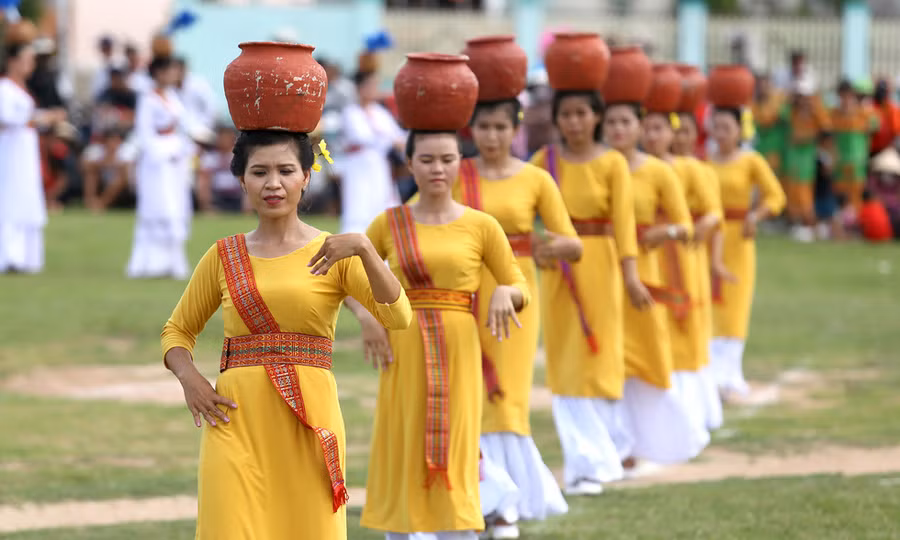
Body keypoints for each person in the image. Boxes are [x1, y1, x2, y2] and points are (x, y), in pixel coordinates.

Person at [162, 129, 412, 540]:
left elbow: (398, 315)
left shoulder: (333, 251)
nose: (273, 183)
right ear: (242, 180)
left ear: (306, 177)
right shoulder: (223, 255)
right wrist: (190, 379)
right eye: (259, 172)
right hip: (236, 420)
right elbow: (177, 331)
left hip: (309, 419)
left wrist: (366, 250)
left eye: (285, 170)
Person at [356, 130, 530, 539]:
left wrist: (506, 292)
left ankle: (458, 527)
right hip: (403, 342)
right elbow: (347, 281)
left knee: (458, 437)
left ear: (459, 164)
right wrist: (367, 318)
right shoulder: (389, 223)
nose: (438, 169)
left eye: (447, 159)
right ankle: (402, 529)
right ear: (410, 162)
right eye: (428, 159)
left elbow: (517, 284)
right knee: (403, 433)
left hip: (459, 346)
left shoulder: (481, 225)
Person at [457, 98, 580, 537]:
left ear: (516, 129)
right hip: (465, 295)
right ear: (471, 129)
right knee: (466, 394)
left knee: (506, 397)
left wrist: (550, 247)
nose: (492, 136)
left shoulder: (535, 178)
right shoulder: (455, 173)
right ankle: (481, 499)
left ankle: (507, 503)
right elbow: (414, 219)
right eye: (484, 127)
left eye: (500, 127)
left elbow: (573, 243)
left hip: (516, 296)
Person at [530, 89, 650, 494]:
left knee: (601, 355)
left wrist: (631, 275)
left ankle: (614, 448)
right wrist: (537, 243)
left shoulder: (613, 162)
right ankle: (585, 464)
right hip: (557, 267)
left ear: (596, 116)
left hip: (601, 264)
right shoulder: (543, 162)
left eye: (582, 113)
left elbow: (623, 224)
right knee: (566, 359)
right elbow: (517, 205)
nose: (574, 122)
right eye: (566, 114)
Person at [604, 97, 706, 470]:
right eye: (611, 121)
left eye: (626, 122)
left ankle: (662, 438)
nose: (618, 129)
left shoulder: (658, 171)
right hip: (601, 270)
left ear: (639, 127)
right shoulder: (596, 166)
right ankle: (619, 445)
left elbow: (687, 227)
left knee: (646, 355)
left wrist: (664, 231)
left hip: (647, 271)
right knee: (608, 357)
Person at [642, 103, 726, 437]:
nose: (652, 136)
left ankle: (692, 412)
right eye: (646, 129)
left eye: (659, 129)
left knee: (683, 328)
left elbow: (712, 213)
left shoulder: (689, 169)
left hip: (679, 254)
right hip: (646, 255)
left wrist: (690, 228)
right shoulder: (631, 168)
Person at [706, 107, 786, 399]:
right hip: (710, 236)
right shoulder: (704, 162)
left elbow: (776, 195)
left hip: (739, 238)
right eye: (716, 127)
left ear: (740, 130)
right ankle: (711, 373)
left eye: (727, 127)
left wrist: (756, 215)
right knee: (709, 301)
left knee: (735, 303)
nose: (721, 133)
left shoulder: (751, 161)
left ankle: (731, 372)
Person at [125, 55, 194, 279]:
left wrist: (186, 146)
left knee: (177, 206)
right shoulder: (148, 99)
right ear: (159, 73)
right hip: (157, 162)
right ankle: (149, 263)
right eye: (171, 70)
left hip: (176, 158)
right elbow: (144, 134)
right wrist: (163, 153)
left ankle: (173, 262)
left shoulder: (173, 97)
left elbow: (183, 125)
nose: (175, 74)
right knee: (159, 207)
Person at [0, 41, 66, 274]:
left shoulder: (23, 89)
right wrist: (43, 118)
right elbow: (7, 118)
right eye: (25, 60)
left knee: (27, 196)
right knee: (11, 197)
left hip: (26, 149)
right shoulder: (4, 88)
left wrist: (46, 118)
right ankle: (10, 255)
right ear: (12, 61)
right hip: (11, 150)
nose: (30, 65)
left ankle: (28, 256)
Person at [339, 70, 406, 233]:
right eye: (369, 85)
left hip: (379, 164)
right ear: (359, 88)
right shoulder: (350, 112)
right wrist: (385, 137)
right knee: (358, 202)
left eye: (375, 86)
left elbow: (398, 137)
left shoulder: (380, 112)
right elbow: (361, 137)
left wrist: (393, 141)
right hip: (358, 164)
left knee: (382, 200)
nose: (373, 90)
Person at [783, 75, 830, 242]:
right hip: (792, 158)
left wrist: (814, 108)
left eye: (804, 95)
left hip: (806, 159)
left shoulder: (815, 113)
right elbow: (782, 115)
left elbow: (825, 129)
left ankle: (810, 225)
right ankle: (799, 224)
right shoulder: (792, 111)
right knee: (793, 192)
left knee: (804, 194)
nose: (801, 99)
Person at [831, 79, 879, 212]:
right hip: (840, 160)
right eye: (842, 95)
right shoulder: (834, 113)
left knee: (856, 191)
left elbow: (874, 126)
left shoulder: (863, 112)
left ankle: (856, 220)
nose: (845, 99)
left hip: (857, 160)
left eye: (848, 95)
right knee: (840, 191)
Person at [81, 126, 137, 212]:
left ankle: (101, 204)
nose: (113, 144)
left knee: (120, 178)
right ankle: (90, 203)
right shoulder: (97, 149)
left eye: (116, 140)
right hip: (103, 186)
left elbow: (126, 173)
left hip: (127, 191)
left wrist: (107, 164)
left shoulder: (127, 150)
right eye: (111, 140)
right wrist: (106, 163)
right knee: (91, 174)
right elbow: (84, 166)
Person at [196, 125, 246, 213]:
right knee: (203, 180)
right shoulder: (210, 157)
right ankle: (208, 208)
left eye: (227, 137)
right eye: (222, 137)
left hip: (236, 197)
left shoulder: (240, 157)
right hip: (217, 197)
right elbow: (204, 183)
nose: (224, 140)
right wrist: (206, 205)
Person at [751, 73, 787, 180]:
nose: (762, 87)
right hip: (758, 150)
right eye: (759, 84)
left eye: (765, 84)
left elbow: (783, 117)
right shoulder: (753, 104)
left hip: (775, 151)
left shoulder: (779, 101)